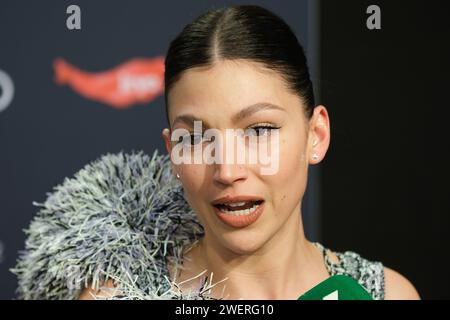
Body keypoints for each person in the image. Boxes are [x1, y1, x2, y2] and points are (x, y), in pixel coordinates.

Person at [15, 5, 420, 300]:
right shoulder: (118, 298)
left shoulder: (386, 294)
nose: (227, 169)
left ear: (316, 135)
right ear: (173, 152)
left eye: (259, 130)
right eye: (196, 138)